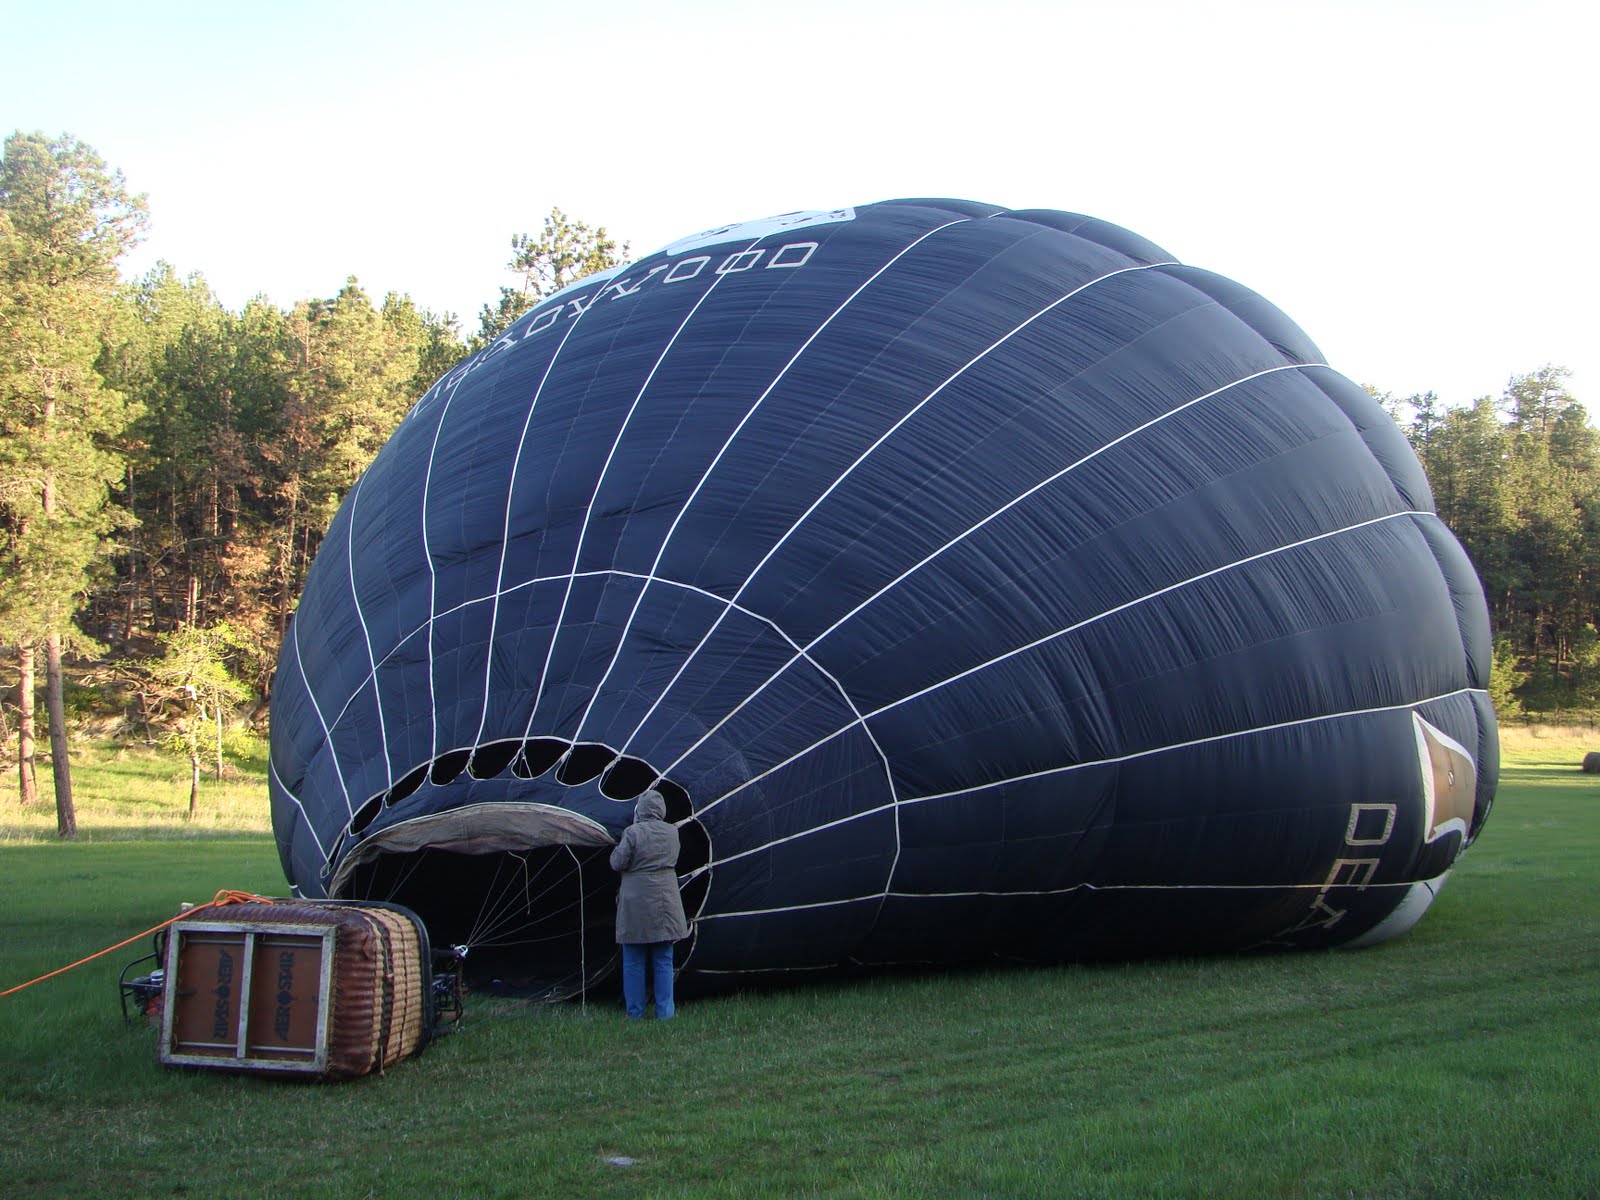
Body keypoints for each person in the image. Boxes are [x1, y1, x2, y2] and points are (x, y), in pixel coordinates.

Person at [609, 789, 690, 1019]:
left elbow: (617, 862)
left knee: (634, 960)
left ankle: (635, 1013)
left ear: (640, 809)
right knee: (663, 959)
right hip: (666, 899)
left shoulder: (632, 833)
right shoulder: (672, 832)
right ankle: (666, 1013)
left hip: (636, 901)